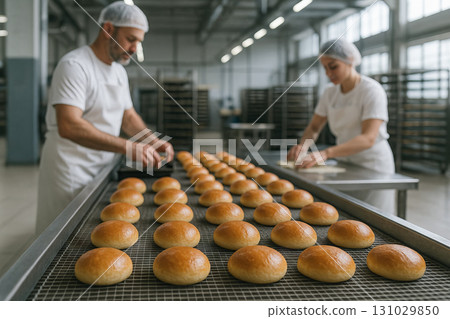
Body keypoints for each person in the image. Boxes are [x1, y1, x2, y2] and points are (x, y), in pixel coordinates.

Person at [36, 1, 174, 234]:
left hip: (102, 164)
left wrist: (151, 139)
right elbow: (68, 125)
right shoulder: (75, 65)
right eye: (130, 39)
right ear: (108, 29)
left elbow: (127, 116)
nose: (133, 48)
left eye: (138, 41)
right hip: (71, 168)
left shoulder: (118, 71)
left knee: (95, 233)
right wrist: (129, 147)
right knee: (62, 236)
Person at [287, 38, 395, 214]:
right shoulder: (330, 92)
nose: (328, 73)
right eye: (325, 68)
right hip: (345, 163)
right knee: (347, 218)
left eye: (333, 66)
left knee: (374, 218)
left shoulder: (371, 90)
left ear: (350, 61)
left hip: (373, 165)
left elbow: (368, 138)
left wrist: (326, 153)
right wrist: (303, 147)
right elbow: (314, 127)